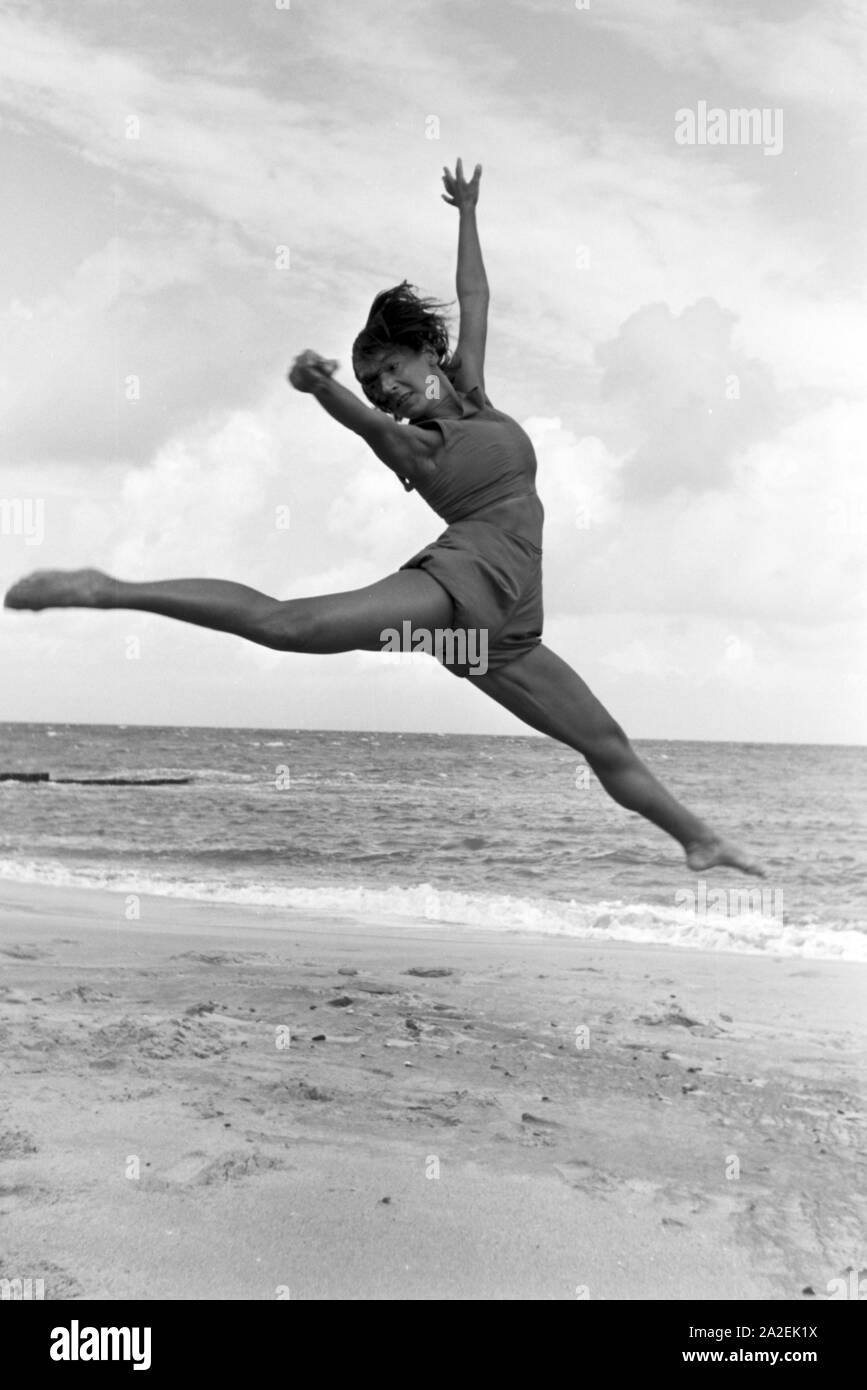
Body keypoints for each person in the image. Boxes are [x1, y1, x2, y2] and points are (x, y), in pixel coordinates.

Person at [4, 159, 762, 875]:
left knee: (604, 744)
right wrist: (319, 389)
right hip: (464, 579)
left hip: (507, 617)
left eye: (390, 371)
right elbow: (367, 427)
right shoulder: (416, 448)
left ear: (426, 357)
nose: (383, 389)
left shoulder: (473, 390)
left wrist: (467, 214)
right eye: (371, 383)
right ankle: (108, 588)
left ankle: (696, 839)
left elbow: (475, 299)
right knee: (286, 626)